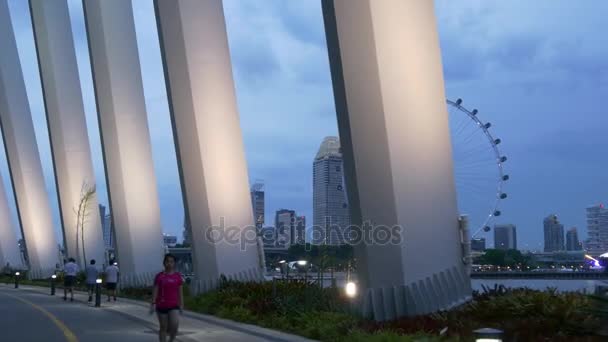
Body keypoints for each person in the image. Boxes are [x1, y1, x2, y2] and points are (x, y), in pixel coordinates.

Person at [151, 254, 184, 342]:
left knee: (175, 326)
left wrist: (181, 304)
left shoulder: (177, 276)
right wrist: (153, 303)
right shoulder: (159, 276)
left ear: (174, 264)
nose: (169, 264)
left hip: (174, 305)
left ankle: (171, 340)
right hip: (161, 304)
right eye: (167, 261)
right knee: (163, 327)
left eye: (171, 262)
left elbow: (180, 292)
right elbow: (155, 290)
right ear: (164, 263)